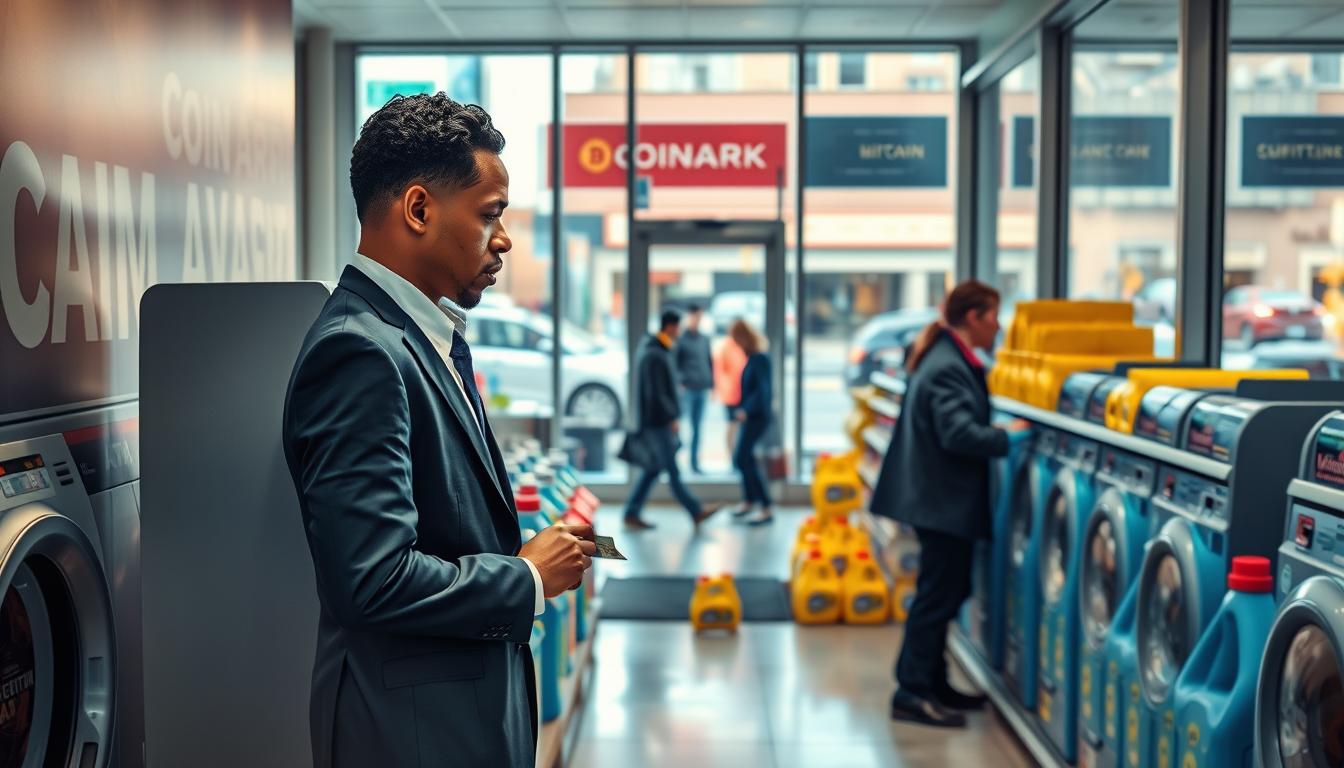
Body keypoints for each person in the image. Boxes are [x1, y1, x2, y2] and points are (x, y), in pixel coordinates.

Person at [282, 94, 596, 768]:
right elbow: (372, 578)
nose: (504, 239)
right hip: (410, 737)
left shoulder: (423, 338)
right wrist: (526, 578)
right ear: (419, 210)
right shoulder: (359, 351)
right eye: (490, 215)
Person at [870, 280, 1020, 729]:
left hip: (936, 498)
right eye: (993, 316)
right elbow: (957, 434)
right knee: (938, 596)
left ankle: (934, 682)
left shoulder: (945, 356)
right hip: (941, 501)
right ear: (973, 317)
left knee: (945, 592)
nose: (998, 326)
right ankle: (912, 692)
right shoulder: (948, 365)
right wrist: (1007, 437)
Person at [623, 308, 722, 531]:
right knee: (673, 471)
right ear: (670, 327)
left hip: (656, 422)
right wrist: (671, 418)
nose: (680, 331)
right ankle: (695, 511)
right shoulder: (656, 354)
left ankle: (631, 512)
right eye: (678, 327)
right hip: (658, 423)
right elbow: (657, 394)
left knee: (653, 469)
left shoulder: (655, 349)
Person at [727, 320, 774, 525]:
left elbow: (763, 391)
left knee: (742, 457)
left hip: (757, 417)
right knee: (745, 459)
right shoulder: (752, 358)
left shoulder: (759, 359)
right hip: (751, 415)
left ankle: (765, 506)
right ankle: (751, 500)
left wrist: (747, 410)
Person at [673, 304, 714, 473]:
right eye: (695, 317)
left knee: (697, 428)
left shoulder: (704, 339)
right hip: (687, 389)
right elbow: (674, 364)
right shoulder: (681, 340)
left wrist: (712, 384)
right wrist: (681, 382)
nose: (697, 320)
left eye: (700, 317)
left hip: (702, 387)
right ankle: (674, 463)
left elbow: (709, 361)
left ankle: (694, 463)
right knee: (680, 426)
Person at [713, 330, 749, 460]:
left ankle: (736, 456)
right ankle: (731, 456)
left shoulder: (741, 346)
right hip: (731, 393)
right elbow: (719, 372)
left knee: (738, 426)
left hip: (740, 392)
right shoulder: (727, 348)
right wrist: (719, 390)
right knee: (732, 425)